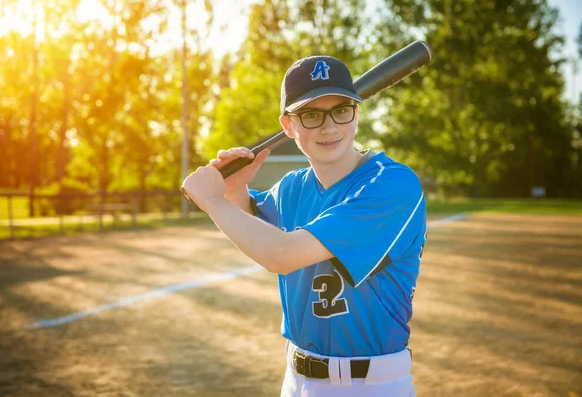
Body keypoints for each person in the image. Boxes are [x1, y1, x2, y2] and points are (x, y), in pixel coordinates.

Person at [182, 55, 427, 397]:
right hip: (297, 379)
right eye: (311, 115)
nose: (329, 128)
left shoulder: (392, 185)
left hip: (369, 385)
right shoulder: (292, 187)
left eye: (341, 109)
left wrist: (213, 200)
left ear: (357, 110)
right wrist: (235, 189)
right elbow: (253, 230)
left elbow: (280, 254)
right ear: (288, 125)